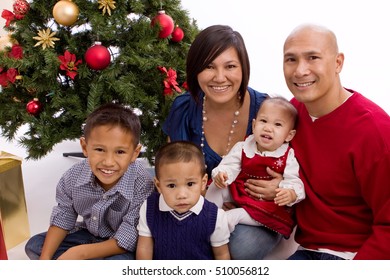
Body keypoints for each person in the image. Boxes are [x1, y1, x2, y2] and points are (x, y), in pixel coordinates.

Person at [245, 23, 390, 260]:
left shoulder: (375, 131)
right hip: (306, 249)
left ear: (338, 63)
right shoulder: (292, 114)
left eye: (313, 57)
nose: (300, 70)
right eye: (291, 59)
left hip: (353, 254)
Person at [163, 24, 283, 259]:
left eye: (230, 66)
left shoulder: (267, 109)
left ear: (243, 68)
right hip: (194, 208)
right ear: (195, 70)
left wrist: (277, 186)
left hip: (254, 213)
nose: (219, 77)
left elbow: (292, 165)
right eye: (209, 66)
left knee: (241, 246)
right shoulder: (184, 108)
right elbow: (171, 170)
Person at [24, 103, 155, 260]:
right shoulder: (73, 176)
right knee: (35, 245)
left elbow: (128, 238)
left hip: (120, 247)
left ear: (135, 153)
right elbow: (63, 217)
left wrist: (79, 253)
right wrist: (44, 263)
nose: (108, 162)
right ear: (85, 147)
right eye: (99, 150)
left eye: (120, 152)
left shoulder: (142, 184)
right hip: (87, 235)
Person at [206, 96, 305, 238]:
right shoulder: (243, 147)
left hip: (266, 206)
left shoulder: (287, 156)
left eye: (277, 125)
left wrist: (290, 192)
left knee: (232, 216)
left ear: (289, 135)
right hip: (241, 191)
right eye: (263, 121)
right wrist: (222, 175)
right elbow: (230, 164)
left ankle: (215, 231)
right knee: (216, 186)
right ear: (254, 125)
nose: (268, 128)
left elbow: (294, 180)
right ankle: (206, 215)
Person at [136, 141, 230, 260]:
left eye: (190, 184)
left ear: (203, 182)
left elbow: (222, 255)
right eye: (171, 185)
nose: (181, 195)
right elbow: (145, 248)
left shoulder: (215, 216)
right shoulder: (149, 208)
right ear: (158, 186)